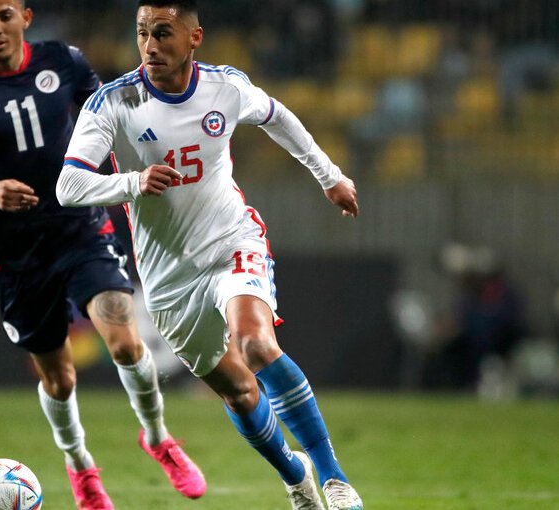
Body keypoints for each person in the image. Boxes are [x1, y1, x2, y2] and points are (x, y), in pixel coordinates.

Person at [56, 1, 363, 509]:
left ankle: (334, 479)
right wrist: (132, 181)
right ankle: (296, 477)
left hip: (230, 243)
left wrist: (329, 176)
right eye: (142, 34)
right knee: (239, 393)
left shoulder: (225, 86)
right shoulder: (114, 103)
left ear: (194, 37)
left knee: (256, 344)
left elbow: (277, 116)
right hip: (168, 279)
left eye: (163, 33)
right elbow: (69, 185)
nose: (151, 45)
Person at [0, 1, 205, 509]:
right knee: (59, 376)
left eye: (4, 15)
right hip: (18, 255)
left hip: (79, 228)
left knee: (123, 339)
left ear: (25, 18)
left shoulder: (65, 63)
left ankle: (159, 438)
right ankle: (81, 467)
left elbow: (110, 117)